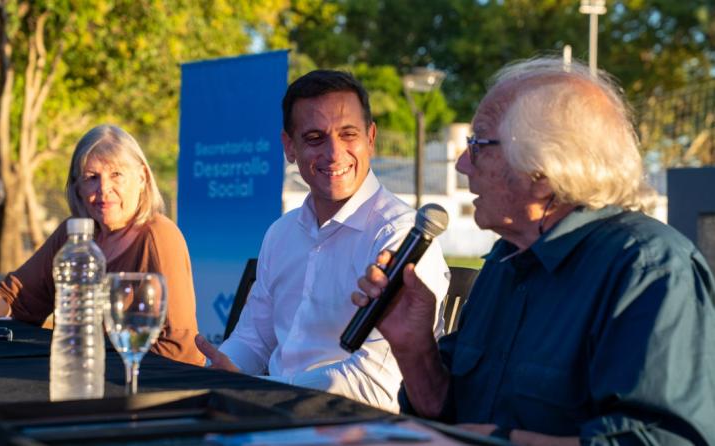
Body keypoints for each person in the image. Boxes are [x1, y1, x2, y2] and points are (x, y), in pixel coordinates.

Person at [354, 57, 715, 445]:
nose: (462, 164)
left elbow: (670, 441)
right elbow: (447, 412)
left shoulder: (647, 268)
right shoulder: (504, 261)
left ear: (544, 166)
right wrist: (414, 348)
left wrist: (503, 441)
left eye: (477, 144)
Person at [195, 70, 450, 412]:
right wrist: (218, 374)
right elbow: (253, 338)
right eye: (315, 137)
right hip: (273, 417)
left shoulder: (402, 238)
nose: (334, 152)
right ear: (289, 147)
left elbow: (376, 384)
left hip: (357, 428)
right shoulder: (282, 232)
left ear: (371, 138)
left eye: (349, 134)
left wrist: (256, 389)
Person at [0, 125, 206, 366]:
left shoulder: (158, 236)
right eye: (92, 178)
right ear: (77, 187)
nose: (104, 189)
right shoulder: (74, 234)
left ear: (142, 177)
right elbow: (15, 297)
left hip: (143, 386)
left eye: (116, 175)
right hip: (76, 377)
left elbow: (179, 347)